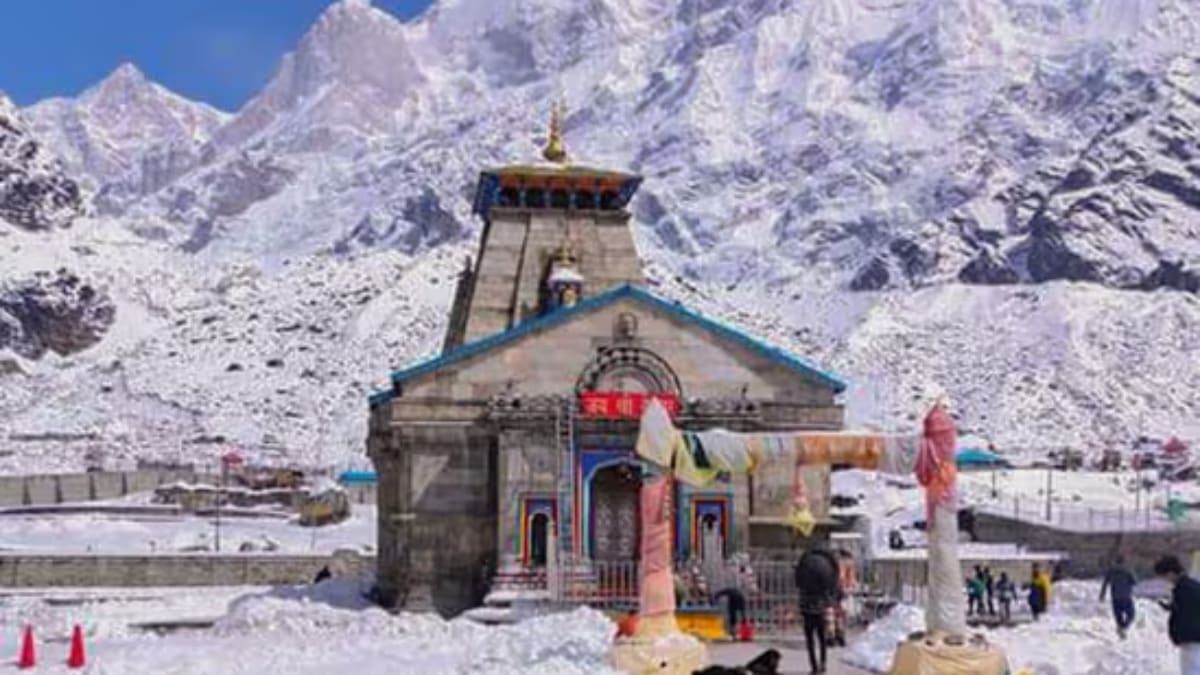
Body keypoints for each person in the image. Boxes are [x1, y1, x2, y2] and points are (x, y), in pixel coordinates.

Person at [795, 549, 839, 674]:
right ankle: (823, 664)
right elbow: (831, 586)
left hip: (807, 607)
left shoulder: (804, 568)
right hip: (820, 607)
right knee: (822, 637)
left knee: (810, 639)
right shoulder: (826, 574)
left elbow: (798, 583)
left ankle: (814, 666)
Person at [1154, 554, 1200, 673]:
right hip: (1194, 636)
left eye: (1164, 577)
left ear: (1170, 573)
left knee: (1192, 670)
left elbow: (1185, 611)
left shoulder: (1182, 588)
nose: (1165, 580)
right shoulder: (1193, 585)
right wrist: (1169, 607)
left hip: (1191, 637)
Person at [1099, 555, 1137, 638]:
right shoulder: (1127, 571)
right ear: (1124, 562)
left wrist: (1102, 594)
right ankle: (1124, 627)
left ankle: (1121, 628)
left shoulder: (1111, 571)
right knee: (1131, 614)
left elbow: (1105, 583)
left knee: (1118, 616)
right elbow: (1134, 582)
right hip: (1126, 597)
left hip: (1115, 597)